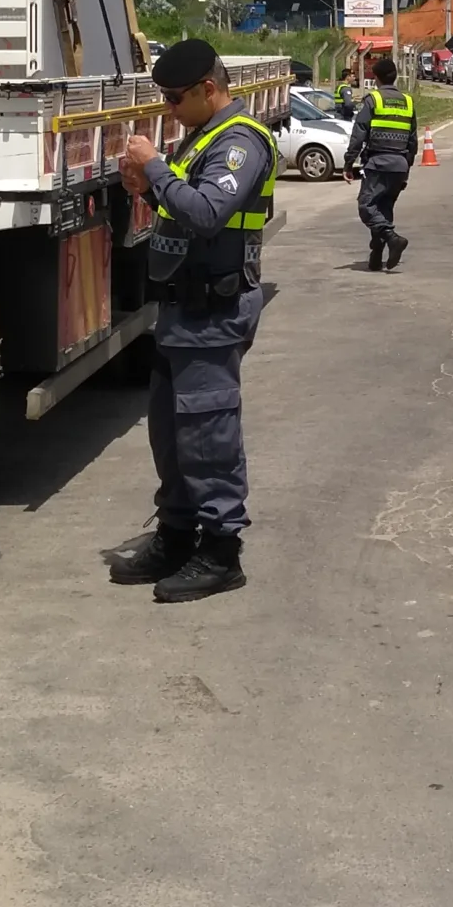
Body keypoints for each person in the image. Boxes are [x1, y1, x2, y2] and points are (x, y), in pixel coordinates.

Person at [105, 38, 276, 603]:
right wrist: (151, 188)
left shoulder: (241, 142)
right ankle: (177, 534)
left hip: (216, 307)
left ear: (209, 88)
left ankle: (221, 550)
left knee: (207, 433)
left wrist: (154, 167)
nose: (169, 108)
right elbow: (182, 211)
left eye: (176, 98)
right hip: (182, 309)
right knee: (171, 433)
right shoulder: (200, 136)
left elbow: (208, 213)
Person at [344, 55, 416, 270]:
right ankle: (376, 255)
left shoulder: (373, 100)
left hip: (378, 163)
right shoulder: (408, 102)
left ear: (376, 78)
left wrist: (349, 163)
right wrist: (407, 169)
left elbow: (359, 134)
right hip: (400, 166)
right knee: (383, 209)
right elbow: (413, 140)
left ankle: (392, 239)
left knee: (366, 206)